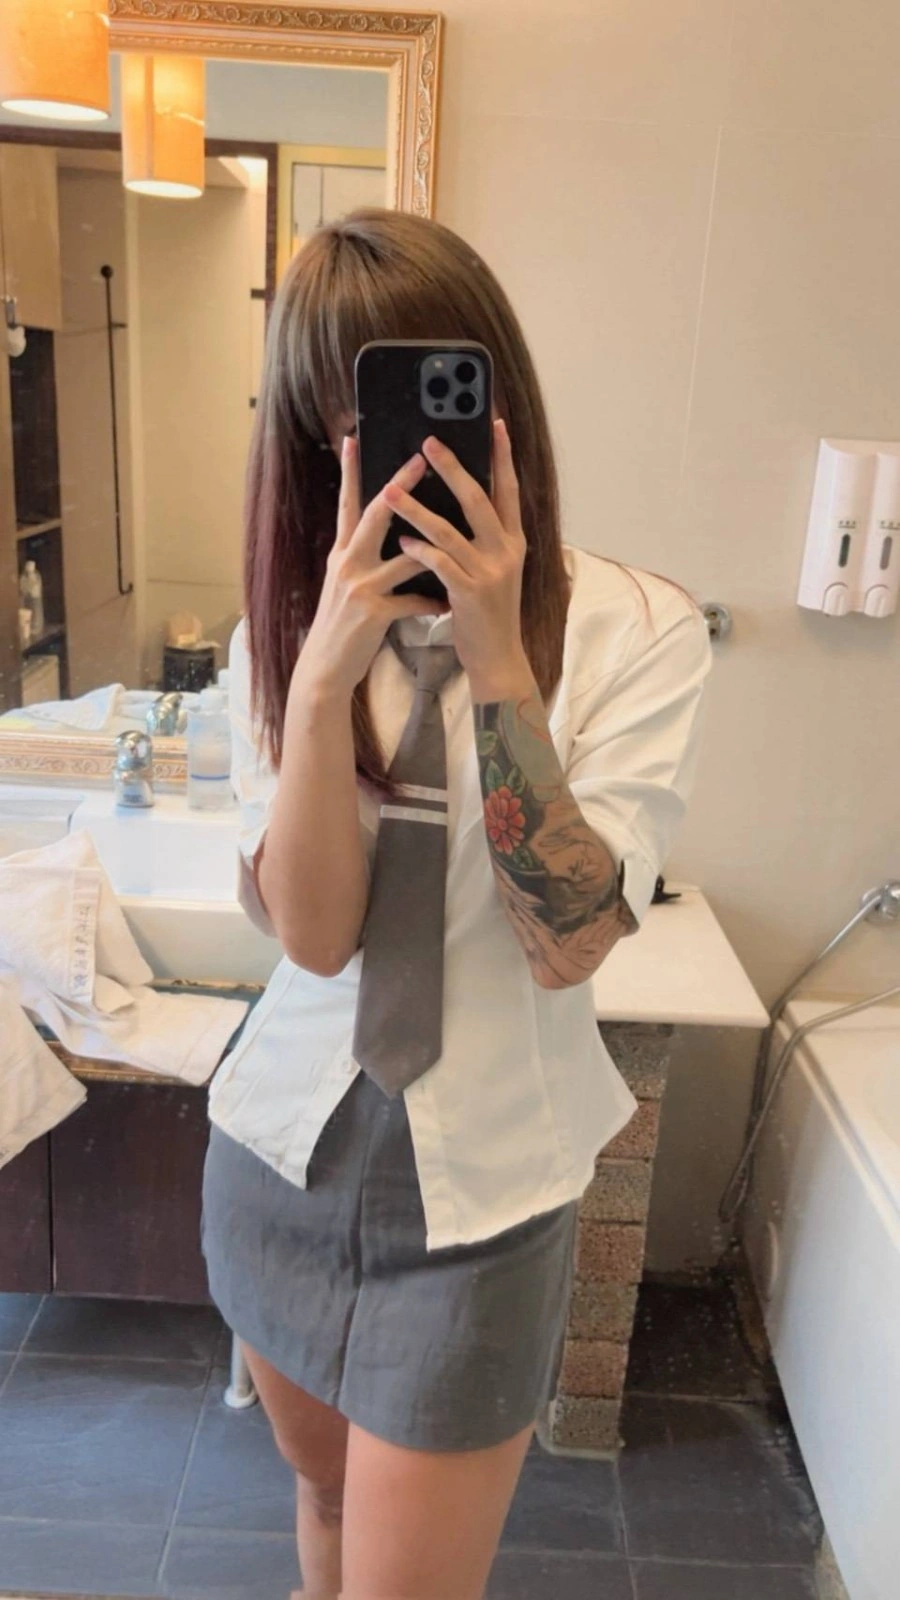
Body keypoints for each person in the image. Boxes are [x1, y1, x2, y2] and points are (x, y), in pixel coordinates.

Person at [201, 206, 713, 1600]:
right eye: (345, 419)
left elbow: (571, 946)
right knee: (321, 1500)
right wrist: (321, 677)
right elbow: (316, 941)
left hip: (483, 1193)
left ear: (500, 400)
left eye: (424, 400)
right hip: (286, 1156)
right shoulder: (281, 632)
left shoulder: (640, 630)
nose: (389, 456)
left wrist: (500, 666)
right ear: (312, 435)